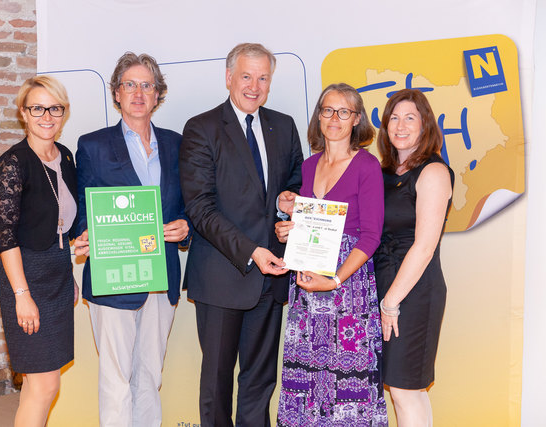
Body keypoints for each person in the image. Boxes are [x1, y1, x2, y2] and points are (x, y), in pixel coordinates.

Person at [179, 42, 304, 426]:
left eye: (262, 77)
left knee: (260, 380)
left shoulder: (283, 126)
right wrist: (251, 251)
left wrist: (290, 204)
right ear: (229, 77)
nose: (254, 85)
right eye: (246, 76)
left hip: (271, 278)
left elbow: (296, 182)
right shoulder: (201, 128)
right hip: (221, 276)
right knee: (217, 383)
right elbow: (201, 208)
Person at [72, 52, 190, 427]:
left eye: (147, 85)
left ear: (158, 95)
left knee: (149, 378)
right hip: (114, 277)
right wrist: (83, 233)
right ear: (117, 94)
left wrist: (185, 226)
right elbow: (81, 207)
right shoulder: (92, 145)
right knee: (116, 380)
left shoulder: (176, 144)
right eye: (130, 85)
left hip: (161, 278)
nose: (138, 93)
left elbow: (188, 204)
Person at [274, 83, 388, 425]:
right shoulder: (308, 167)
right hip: (307, 288)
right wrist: (287, 227)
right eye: (327, 110)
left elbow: (371, 236)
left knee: (347, 384)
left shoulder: (367, 166)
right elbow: (308, 223)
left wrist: (335, 280)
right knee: (306, 375)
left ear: (356, 119)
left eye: (344, 111)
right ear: (318, 116)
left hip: (347, 288)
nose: (334, 118)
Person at [0, 75, 78, 427]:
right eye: (37, 108)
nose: (47, 116)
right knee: (45, 384)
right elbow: (6, 236)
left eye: (54, 108)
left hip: (57, 275)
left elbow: (59, 225)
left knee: (38, 386)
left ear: (63, 112)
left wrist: (69, 271)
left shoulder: (66, 157)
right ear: (23, 113)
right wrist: (22, 296)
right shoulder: (13, 163)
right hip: (25, 278)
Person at [374, 89, 454, 427]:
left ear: (425, 125)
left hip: (413, 293)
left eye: (410, 117)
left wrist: (391, 302)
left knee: (407, 389)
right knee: (404, 390)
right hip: (383, 287)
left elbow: (424, 246)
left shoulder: (433, 172)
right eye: (394, 117)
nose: (400, 125)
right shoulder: (383, 173)